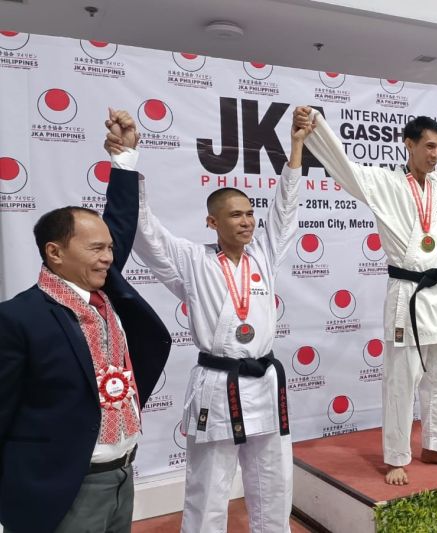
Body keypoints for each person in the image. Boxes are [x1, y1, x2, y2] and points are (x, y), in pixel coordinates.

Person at [103, 108, 306, 532]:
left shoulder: (264, 255)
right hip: (218, 383)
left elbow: (285, 212)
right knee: (209, 486)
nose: (246, 221)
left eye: (249, 213)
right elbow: (145, 229)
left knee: (274, 482)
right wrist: (126, 160)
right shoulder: (192, 261)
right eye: (235, 215)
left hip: (265, 381)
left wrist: (296, 147)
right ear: (212, 222)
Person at [295, 106, 437, 485]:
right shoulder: (384, 183)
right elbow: (344, 168)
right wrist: (315, 128)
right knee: (401, 381)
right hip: (406, 295)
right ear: (408, 144)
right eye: (429, 146)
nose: (436, 154)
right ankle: (397, 456)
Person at [0, 171, 171, 532]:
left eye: (110, 248)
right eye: (96, 248)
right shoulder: (17, 318)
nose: (108, 257)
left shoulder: (108, 298)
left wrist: (124, 162)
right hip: (62, 488)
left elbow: (121, 221)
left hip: (124, 475)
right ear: (55, 252)